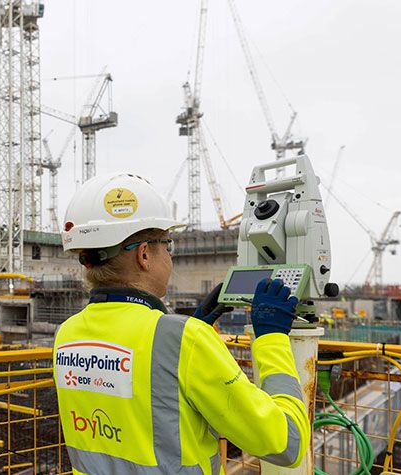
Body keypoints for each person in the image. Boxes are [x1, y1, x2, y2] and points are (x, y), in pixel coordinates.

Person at [53, 173, 309, 474]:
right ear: (144, 254)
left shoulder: (66, 333)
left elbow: (140, 407)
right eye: (167, 244)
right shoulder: (184, 340)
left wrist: (185, 333)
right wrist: (271, 338)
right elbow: (287, 443)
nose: (169, 256)